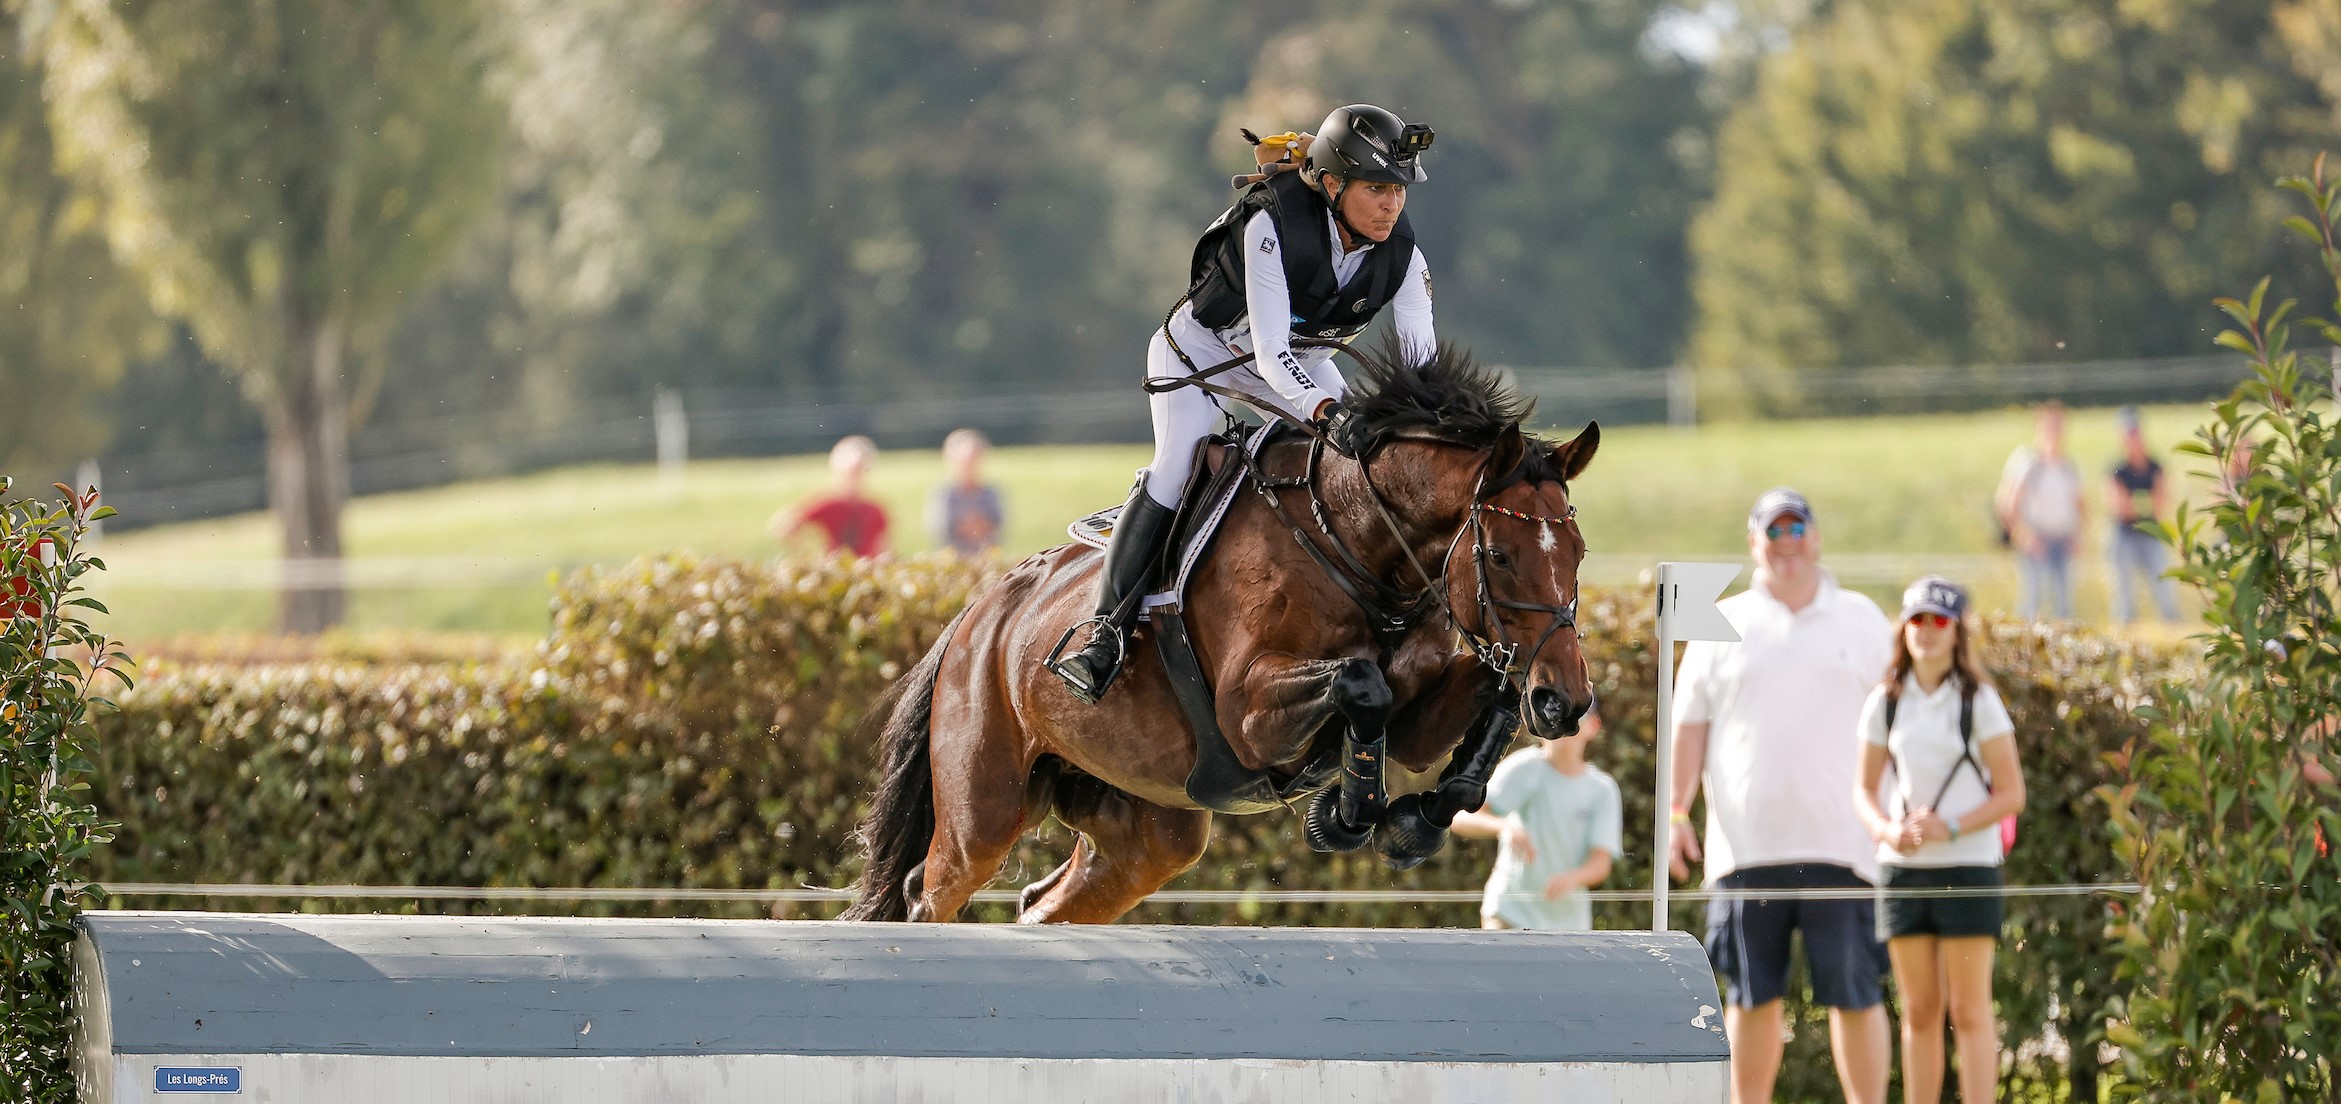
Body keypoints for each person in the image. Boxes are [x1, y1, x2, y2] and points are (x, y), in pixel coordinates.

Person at [1047, 103, 1438, 704]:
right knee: (1179, 462)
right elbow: (1270, 350)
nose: (1392, 205)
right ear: (1332, 184)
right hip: (1200, 354)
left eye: (1399, 191)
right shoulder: (1272, 226)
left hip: (1296, 365)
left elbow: (1420, 367)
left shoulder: (1404, 254)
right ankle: (1103, 634)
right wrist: (1328, 415)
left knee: (1360, 467)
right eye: (1378, 188)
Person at [1669, 488, 1894, 1104]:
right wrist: (1674, 813)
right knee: (1749, 998)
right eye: (1774, 532)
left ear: (1816, 538)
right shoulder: (1721, 623)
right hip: (1745, 851)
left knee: (1857, 995)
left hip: (1847, 847)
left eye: (1798, 530)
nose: (1788, 543)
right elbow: (1689, 730)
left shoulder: (1865, 619)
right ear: (1754, 543)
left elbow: (1901, 726)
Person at [1852, 576, 2027, 1104]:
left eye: (1939, 621)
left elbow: (2011, 793)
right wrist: (1888, 832)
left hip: (1969, 869)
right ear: (1902, 628)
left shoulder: (1980, 700)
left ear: (1956, 632)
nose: (1927, 631)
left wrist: (1949, 827)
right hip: (1902, 873)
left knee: (1970, 1011)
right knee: (1919, 1011)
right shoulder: (1885, 701)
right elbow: (1862, 789)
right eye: (1917, 620)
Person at [1450, 706, 1623, 931]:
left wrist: (1572, 878)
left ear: (1594, 726)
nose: (1563, 726)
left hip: (1570, 928)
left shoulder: (1602, 789)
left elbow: (1601, 863)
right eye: (1556, 717)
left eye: (1575, 718)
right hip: (1509, 915)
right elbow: (1460, 818)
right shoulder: (1522, 768)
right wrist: (1503, 826)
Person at [1994, 401, 2085, 621]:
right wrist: (2023, 536)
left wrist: (2078, 536)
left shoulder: (2068, 465)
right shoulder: (2027, 462)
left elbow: (2081, 504)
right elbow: (2007, 503)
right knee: (2033, 599)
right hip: (2036, 538)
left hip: (2062, 537)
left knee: (2064, 602)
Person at [2106, 406, 2180, 624]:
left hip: (2152, 535)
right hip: (2124, 535)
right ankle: (2124, 628)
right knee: (2124, 592)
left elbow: (2161, 504)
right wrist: (2145, 503)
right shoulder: (2117, 469)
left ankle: (2173, 626)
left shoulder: (2155, 466)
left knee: (2164, 586)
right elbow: (2117, 506)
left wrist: (2133, 503)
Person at [768, 436, 888, 558]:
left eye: (859, 471)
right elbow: (784, 527)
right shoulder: (828, 503)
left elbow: (883, 548)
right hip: (836, 571)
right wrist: (808, 556)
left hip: (865, 571)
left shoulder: (875, 510)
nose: (854, 477)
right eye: (851, 472)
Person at [928, 428, 1003, 557]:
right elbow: (941, 528)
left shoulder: (990, 493)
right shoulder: (944, 494)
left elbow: (996, 524)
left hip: (986, 559)